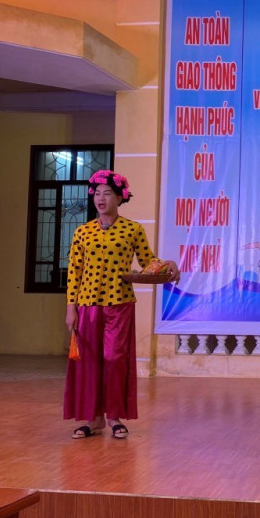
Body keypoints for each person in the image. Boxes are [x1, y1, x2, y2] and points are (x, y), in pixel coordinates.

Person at [64, 169, 179, 440]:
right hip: (88, 305)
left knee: (115, 360)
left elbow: (148, 261)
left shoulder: (132, 229)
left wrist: (167, 264)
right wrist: (71, 307)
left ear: (119, 197)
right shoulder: (82, 232)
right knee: (89, 362)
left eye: (107, 194)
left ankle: (114, 417)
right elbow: (74, 271)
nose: (101, 199)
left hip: (120, 303)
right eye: (97, 194)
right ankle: (93, 419)